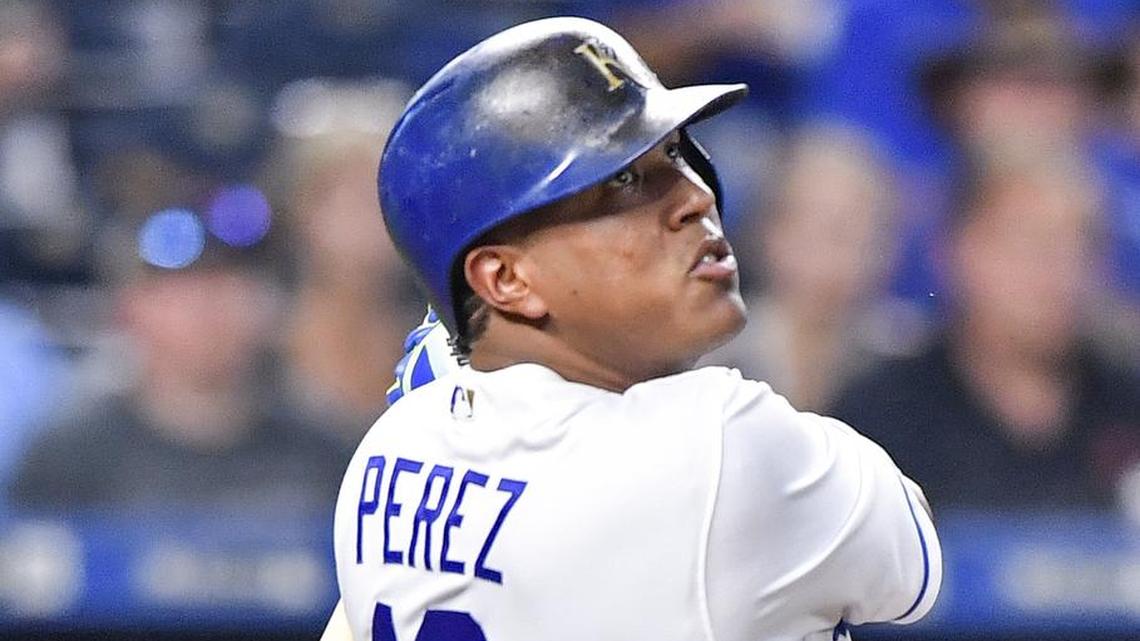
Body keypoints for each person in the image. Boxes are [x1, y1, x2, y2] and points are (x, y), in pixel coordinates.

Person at [326, 17, 940, 641]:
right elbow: (911, 559)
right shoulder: (718, 446)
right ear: (506, 279)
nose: (695, 197)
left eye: (675, 152)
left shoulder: (389, 452)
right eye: (621, 181)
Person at [832, 156, 1140, 511]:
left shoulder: (1127, 406)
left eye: (1082, 248)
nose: (1062, 272)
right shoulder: (879, 420)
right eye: (1033, 246)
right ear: (957, 252)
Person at [7, 209, 346, 512]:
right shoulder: (70, 458)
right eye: (182, 291)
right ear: (130, 308)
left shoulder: (324, 455)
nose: (209, 311)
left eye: (229, 284)